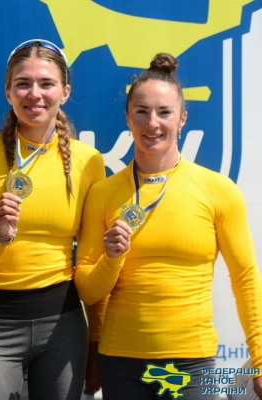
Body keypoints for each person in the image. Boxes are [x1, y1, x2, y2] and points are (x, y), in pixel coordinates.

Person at [74, 53, 262, 400]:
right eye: (141, 111)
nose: (152, 123)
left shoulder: (218, 190)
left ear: (182, 118)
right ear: (127, 117)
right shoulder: (103, 193)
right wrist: (111, 259)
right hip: (120, 363)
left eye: (164, 112)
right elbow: (87, 290)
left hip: (193, 363)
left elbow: (245, 277)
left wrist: (260, 358)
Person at [0, 39, 106, 400]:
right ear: (8, 92)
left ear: (65, 92)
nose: (34, 94)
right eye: (23, 83)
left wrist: (97, 340)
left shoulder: (89, 162)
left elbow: (91, 264)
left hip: (64, 326)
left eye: (47, 83)